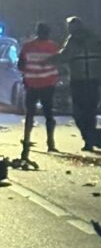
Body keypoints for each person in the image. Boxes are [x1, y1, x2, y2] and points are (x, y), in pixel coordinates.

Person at [52, 17, 101, 152]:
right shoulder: (94, 39)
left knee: (80, 113)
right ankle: (89, 138)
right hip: (90, 81)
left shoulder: (73, 41)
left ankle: (88, 138)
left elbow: (64, 56)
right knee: (89, 112)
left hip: (81, 81)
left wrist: (49, 59)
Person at [17, 22, 60, 158]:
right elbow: (59, 64)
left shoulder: (27, 46)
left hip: (31, 85)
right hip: (48, 85)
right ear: (49, 33)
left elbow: (20, 65)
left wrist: (29, 73)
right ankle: (50, 143)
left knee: (30, 115)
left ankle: (26, 142)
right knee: (49, 114)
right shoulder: (53, 47)